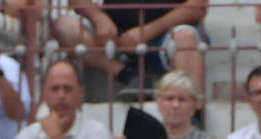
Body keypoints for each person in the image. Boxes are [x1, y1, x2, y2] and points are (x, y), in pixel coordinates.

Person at [53, 0, 207, 94]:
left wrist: (147, 31)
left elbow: (199, 5)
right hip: (111, 37)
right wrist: (98, 18)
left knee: (186, 38)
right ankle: (127, 74)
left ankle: (192, 114)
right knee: (65, 26)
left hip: (165, 36)